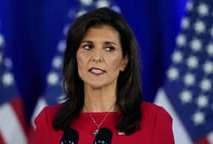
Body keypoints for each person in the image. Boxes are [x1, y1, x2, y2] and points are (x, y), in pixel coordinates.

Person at [35, 7, 174, 144]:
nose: (96, 57)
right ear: (75, 56)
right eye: (88, 47)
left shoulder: (155, 120)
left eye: (109, 48)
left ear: (124, 61)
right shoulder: (49, 121)